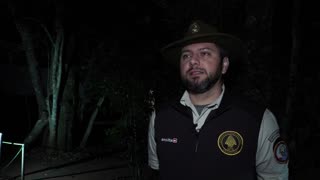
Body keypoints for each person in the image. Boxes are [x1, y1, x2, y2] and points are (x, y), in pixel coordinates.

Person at [147, 20, 289, 180]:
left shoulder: (258, 119)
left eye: (205, 53)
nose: (193, 61)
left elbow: (275, 177)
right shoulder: (160, 117)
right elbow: (156, 171)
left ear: (224, 65)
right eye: (186, 55)